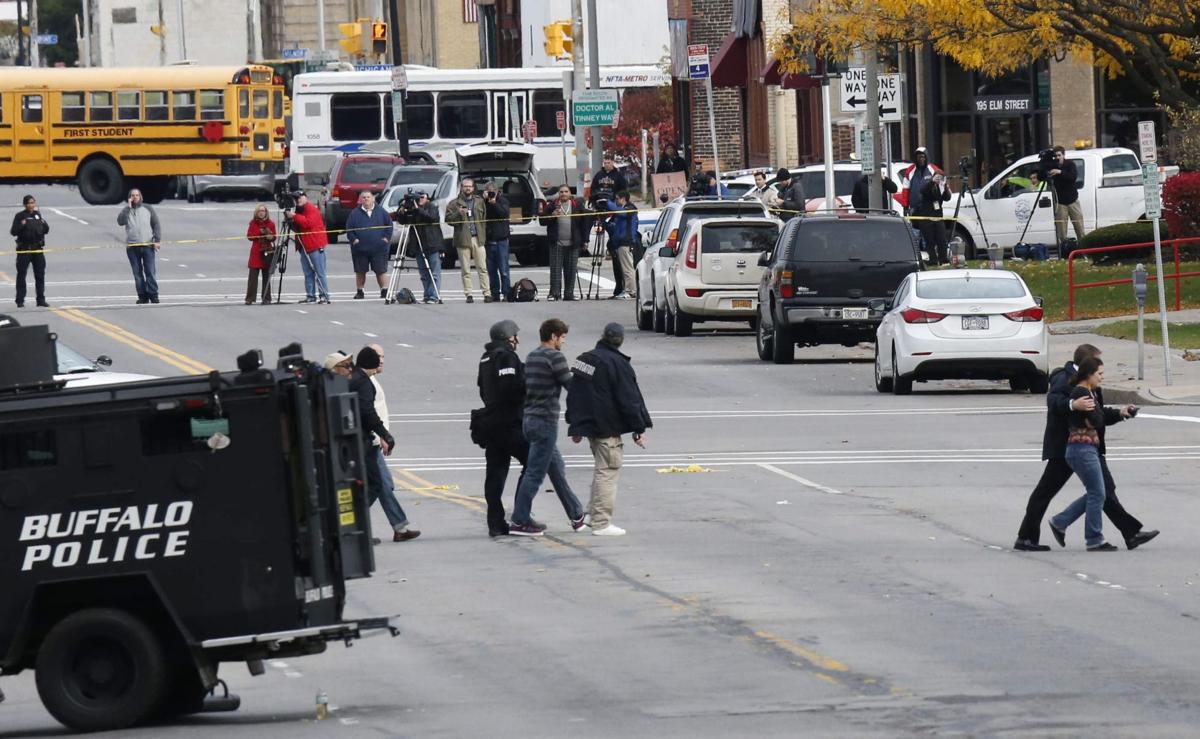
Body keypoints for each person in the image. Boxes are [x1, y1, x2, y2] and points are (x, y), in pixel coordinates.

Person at [1014, 344, 1158, 551]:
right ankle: (1027, 537)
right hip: (1065, 446)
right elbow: (1054, 402)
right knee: (1047, 492)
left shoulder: (1090, 383)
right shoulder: (1064, 378)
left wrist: (1120, 413)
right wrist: (1073, 405)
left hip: (1088, 445)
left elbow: (1097, 414)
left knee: (1102, 490)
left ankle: (1129, 533)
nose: (1101, 372)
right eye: (1097, 366)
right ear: (1086, 366)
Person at [566, 322, 652, 536]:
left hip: (591, 426)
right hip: (607, 427)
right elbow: (629, 400)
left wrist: (575, 424)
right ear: (620, 340)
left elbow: (574, 394)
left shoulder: (584, 360)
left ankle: (590, 514)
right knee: (608, 471)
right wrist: (638, 428)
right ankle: (602, 522)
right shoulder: (618, 363)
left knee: (601, 469)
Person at [509, 319, 587, 536]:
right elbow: (571, 386)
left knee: (556, 469)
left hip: (529, 419)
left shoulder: (532, 356)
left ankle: (576, 514)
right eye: (562, 337)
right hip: (545, 421)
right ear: (553, 336)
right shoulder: (555, 357)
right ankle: (519, 520)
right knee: (534, 473)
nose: (563, 341)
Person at [1046, 357, 1125, 551]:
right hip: (1081, 449)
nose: (1102, 377)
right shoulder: (1082, 392)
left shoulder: (1089, 392)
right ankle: (1094, 538)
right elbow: (1097, 420)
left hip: (1086, 448)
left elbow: (1098, 418)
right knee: (1098, 492)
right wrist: (1092, 418)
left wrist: (1121, 413)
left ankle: (1060, 522)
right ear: (1089, 374)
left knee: (1097, 492)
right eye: (1099, 373)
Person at [349, 345, 420, 543]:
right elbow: (369, 413)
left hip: (370, 439)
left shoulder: (362, 379)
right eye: (379, 357)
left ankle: (398, 526)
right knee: (378, 484)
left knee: (381, 484)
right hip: (369, 441)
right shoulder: (364, 382)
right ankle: (355, 528)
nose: (382, 361)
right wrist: (384, 435)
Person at [477, 320, 526, 537]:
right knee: (533, 464)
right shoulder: (506, 356)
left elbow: (481, 387)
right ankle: (521, 515)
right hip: (509, 422)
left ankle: (495, 522)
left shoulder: (485, 358)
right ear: (506, 337)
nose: (517, 340)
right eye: (514, 336)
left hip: (491, 422)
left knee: (495, 474)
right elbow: (510, 387)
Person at [445, 178, 491, 303]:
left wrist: (483, 234)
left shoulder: (479, 201)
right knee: (466, 269)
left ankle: (487, 293)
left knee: (482, 267)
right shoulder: (454, 203)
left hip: (478, 238)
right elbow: (448, 220)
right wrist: (458, 213)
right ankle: (469, 294)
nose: (468, 188)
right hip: (463, 239)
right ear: (461, 187)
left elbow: (484, 219)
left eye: (470, 186)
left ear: (473, 188)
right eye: (465, 186)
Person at [540, 185, 588, 301]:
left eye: (566, 191)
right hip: (556, 242)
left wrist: (585, 240)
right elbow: (542, 220)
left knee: (571, 270)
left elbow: (585, 222)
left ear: (570, 193)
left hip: (573, 243)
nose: (564, 194)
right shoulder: (552, 205)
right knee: (555, 270)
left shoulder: (577, 205)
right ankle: (554, 293)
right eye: (561, 192)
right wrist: (551, 215)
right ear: (558, 194)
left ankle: (569, 293)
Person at [344, 190, 392, 300]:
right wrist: (354, 240)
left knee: (381, 270)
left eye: (368, 197)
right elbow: (349, 229)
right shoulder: (354, 213)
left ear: (373, 199)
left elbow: (389, 226)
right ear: (361, 200)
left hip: (379, 248)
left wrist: (385, 239)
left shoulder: (381, 211)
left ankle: (384, 290)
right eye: (363, 197)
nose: (366, 199)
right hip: (360, 249)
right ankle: (360, 291)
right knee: (360, 271)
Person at [117, 188, 162, 304]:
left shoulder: (148, 208)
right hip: (132, 246)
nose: (135, 197)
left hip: (147, 245)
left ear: (140, 196)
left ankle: (153, 295)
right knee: (137, 274)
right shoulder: (126, 211)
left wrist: (157, 240)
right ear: (129, 197)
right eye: (133, 195)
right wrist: (128, 207)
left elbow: (156, 224)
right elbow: (120, 222)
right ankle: (142, 296)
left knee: (150, 272)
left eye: (137, 195)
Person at [285, 192, 330, 304]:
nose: (298, 200)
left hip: (314, 244)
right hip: (304, 245)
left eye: (300, 197)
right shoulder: (299, 210)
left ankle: (324, 295)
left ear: (306, 197)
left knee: (320, 272)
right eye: (296, 198)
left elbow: (307, 223)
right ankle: (310, 295)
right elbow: (298, 227)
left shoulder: (311, 209)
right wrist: (290, 220)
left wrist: (294, 216)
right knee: (308, 272)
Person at [595, 191, 638, 300]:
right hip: (619, 242)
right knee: (624, 269)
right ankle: (626, 289)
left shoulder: (630, 208)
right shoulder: (619, 213)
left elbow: (622, 213)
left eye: (617, 199)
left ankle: (631, 291)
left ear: (623, 198)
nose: (616, 201)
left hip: (626, 241)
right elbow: (613, 228)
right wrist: (603, 221)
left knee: (628, 268)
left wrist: (608, 203)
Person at [11, 194, 50, 308]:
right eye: (28, 203)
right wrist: (21, 225)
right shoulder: (20, 216)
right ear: (25, 204)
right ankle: (20, 300)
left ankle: (41, 299)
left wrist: (44, 223)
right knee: (21, 275)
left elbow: (46, 230)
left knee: (40, 275)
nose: (31, 205)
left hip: (37, 249)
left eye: (32, 203)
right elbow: (13, 231)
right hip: (24, 250)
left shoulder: (37, 215)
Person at [1042, 145, 1086, 245]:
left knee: (1079, 227)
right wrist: (1045, 167)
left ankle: (1083, 250)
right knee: (1061, 232)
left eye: (1059, 155)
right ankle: (1064, 250)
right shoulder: (1052, 165)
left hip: (1073, 201)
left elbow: (1072, 177)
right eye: (1055, 156)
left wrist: (1060, 172)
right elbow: (1042, 176)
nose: (1057, 158)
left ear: (1063, 155)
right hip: (1060, 203)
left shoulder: (1070, 164)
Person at [406, 190, 443, 304]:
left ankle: (434, 295)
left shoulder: (432, 207)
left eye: (422, 197)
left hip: (432, 244)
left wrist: (418, 210)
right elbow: (403, 220)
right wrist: (404, 209)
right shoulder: (414, 208)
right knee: (423, 273)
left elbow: (432, 218)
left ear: (427, 198)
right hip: (418, 244)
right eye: (418, 197)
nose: (420, 199)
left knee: (434, 273)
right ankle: (427, 294)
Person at [912, 172, 952, 265]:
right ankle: (933, 260)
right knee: (929, 241)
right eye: (937, 177)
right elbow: (922, 190)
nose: (939, 179)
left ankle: (943, 259)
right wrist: (932, 182)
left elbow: (947, 198)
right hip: (926, 218)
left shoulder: (941, 187)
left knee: (942, 240)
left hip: (938, 217)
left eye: (940, 177)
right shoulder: (928, 184)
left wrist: (945, 187)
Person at [482, 181, 513, 302]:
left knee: (504, 269)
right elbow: (482, 214)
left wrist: (494, 202)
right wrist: (485, 201)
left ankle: (506, 293)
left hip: (501, 239)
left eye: (492, 191)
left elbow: (504, 214)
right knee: (491, 269)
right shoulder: (483, 202)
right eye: (488, 191)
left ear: (497, 191)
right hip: (489, 239)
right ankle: (495, 293)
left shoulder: (503, 200)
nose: (491, 194)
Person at [245, 204, 276, 305]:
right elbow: (249, 236)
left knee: (266, 276)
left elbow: (274, 237)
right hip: (256, 252)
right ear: (256, 213)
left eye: (263, 211)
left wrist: (269, 235)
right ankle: (250, 298)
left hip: (267, 251)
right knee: (253, 277)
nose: (261, 213)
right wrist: (259, 232)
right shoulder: (253, 223)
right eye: (259, 211)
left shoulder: (271, 224)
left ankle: (266, 298)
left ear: (266, 212)